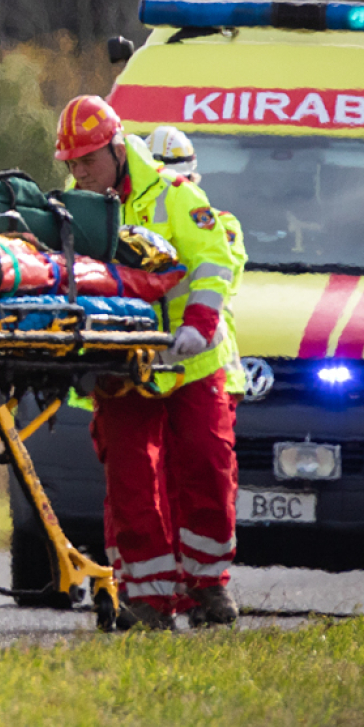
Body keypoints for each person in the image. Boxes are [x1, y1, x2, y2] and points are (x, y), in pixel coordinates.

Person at [54, 96, 247, 630]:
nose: (79, 173)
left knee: (207, 466)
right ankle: (146, 596)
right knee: (133, 480)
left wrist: (197, 329)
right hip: (123, 362)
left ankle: (207, 586)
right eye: (71, 164)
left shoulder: (176, 196)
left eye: (87, 161)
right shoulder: (78, 203)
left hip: (190, 360)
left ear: (118, 150)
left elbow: (214, 262)